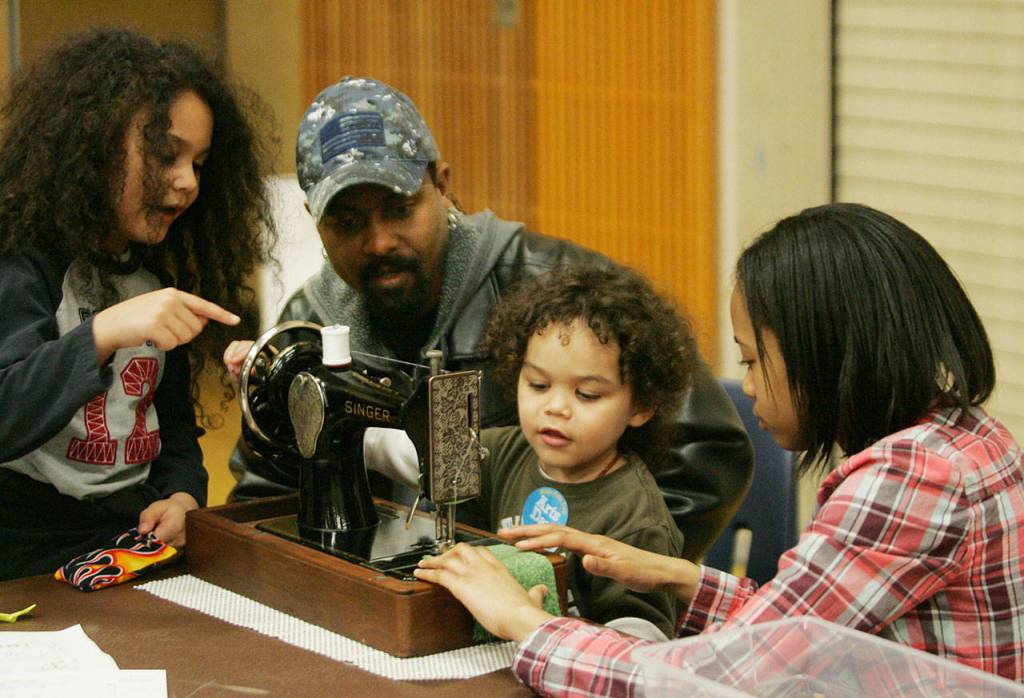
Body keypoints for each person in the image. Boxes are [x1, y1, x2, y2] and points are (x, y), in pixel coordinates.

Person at [413, 203, 1024, 689]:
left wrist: (523, 621)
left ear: (826, 355)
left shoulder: (910, 480)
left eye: (753, 361)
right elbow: (811, 629)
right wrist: (680, 578)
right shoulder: (968, 437)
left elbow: (709, 686)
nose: (747, 387)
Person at [224, 75, 753, 562]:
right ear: (314, 223)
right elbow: (267, 495)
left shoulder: (558, 290)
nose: (380, 241)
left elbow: (707, 454)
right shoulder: (308, 327)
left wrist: (595, 570)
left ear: (444, 185)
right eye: (347, 222)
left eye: (399, 209)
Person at [0, 29, 275, 580]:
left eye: (200, 163)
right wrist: (102, 332)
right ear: (93, 145)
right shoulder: (23, 266)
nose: (187, 181)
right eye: (167, 155)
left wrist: (181, 496)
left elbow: (170, 427)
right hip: (24, 557)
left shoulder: (157, 273)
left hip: (125, 545)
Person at [364, 264, 697, 639]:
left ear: (641, 406)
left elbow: (642, 643)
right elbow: (419, 454)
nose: (555, 407)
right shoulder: (509, 451)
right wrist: (352, 438)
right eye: (538, 384)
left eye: (586, 394)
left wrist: (544, 628)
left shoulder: (636, 520)